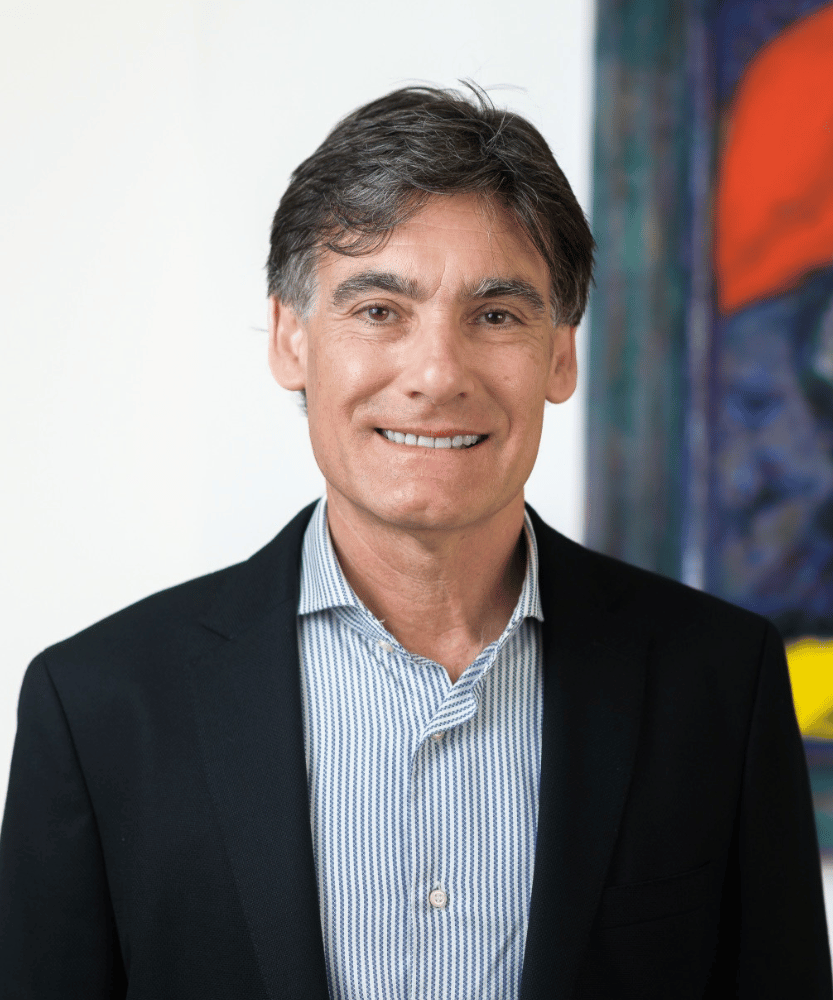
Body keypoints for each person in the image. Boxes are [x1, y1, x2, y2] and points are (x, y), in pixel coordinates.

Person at [0, 84, 829, 1000]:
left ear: (560, 355)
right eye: (378, 311)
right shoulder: (99, 707)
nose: (436, 375)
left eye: (496, 315)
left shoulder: (721, 682)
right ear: (289, 339)